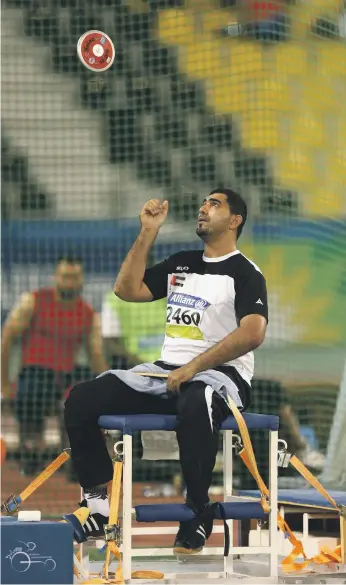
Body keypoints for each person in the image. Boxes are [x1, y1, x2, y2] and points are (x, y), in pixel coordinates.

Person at [64, 189, 269, 553]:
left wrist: (193, 367)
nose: (203, 208)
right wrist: (148, 231)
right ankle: (97, 507)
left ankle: (197, 512)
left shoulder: (245, 272)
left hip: (219, 378)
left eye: (215, 204)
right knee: (82, 398)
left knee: (197, 399)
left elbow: (253, 333)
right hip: (164, 374)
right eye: (204, 203)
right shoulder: (182, 262)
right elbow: (126, 289)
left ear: (235, 221)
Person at [1, 256, 108, 475]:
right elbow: (7, 340)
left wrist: (108, 386)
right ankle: (31, 454)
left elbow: (95, 355)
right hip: (35, 374)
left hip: (66, 376)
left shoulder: (88, 314)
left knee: (81, 397)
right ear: (56, 277)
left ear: (81, 280)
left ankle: (74, 459)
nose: (70, 282)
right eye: (65, 276)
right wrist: (4, 384)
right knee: (31, 394)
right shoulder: (32, 301)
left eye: (75, 277)